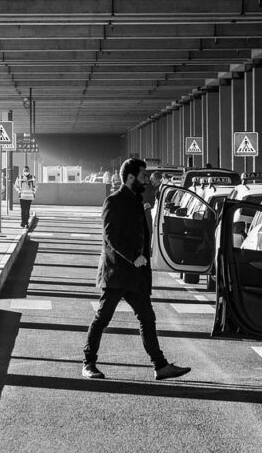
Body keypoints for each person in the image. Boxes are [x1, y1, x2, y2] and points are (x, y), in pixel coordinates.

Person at [82, 158, 191, 381]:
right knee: (103, 318)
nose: (146, 181)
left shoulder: (137, 200)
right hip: (116, 273)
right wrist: (134, 257)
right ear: (131, 177)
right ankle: (88, 363)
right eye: (142, 177)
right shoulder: (114, 201)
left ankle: (160, 366)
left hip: (136, 275)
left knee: (147, 318)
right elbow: (111, 236)